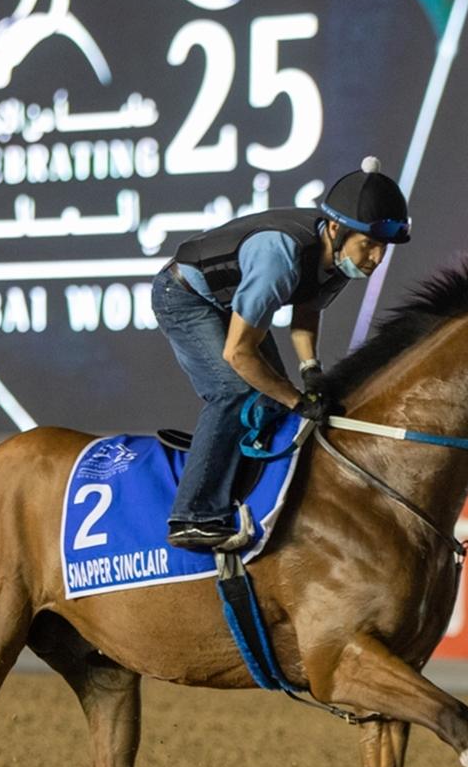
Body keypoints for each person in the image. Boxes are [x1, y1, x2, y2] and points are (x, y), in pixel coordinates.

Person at [154, 156, 411, 550]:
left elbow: (306, 311)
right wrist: (294, 399)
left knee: (271, 401)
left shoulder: (339, 257)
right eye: (370, 245)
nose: (376, 259)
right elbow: (238, 354)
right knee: (234, 392)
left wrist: (311, 371)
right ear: (337, 229)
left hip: (226, 301)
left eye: (383, 249)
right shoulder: (280, 256)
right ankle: (193, 516)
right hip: (186, 298)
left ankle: (245, 491)